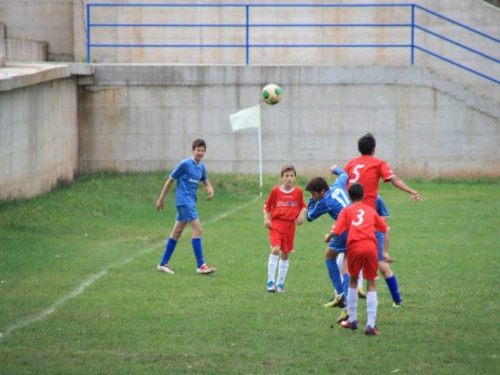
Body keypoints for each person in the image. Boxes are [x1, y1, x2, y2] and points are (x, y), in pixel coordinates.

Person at [325, 183, 391, 336]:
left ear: (349, 197)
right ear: (363, 196)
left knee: (353, 281)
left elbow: (336, 231)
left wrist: (327, 237)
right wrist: (385, 252)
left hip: (354, 247)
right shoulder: (370, 210)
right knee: (371, 283)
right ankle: (370, 325)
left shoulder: (346, 211)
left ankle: (352, 320)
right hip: (370, 246)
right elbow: (386, 229)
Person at [156, 139, 216, 275]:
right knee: (198, 229)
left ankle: (163, 263)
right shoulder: (185, 164)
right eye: (198, 150)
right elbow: (170, 179)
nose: (200, 152)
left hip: (190, 202)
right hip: (184, 202)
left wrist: (210, 188)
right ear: (192, 150)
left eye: (202, 150)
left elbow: (205, 180)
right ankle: (201, 265)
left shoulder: (200, 167)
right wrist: (161, 198)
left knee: (177, 232)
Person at [305, 167, 352, 310]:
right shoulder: (337, 185)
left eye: (314, 194)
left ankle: (340, 294)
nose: (313, 196)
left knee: (329, 257)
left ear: (322, 192)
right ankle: (346, 298)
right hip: (357, 226)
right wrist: (335, 169)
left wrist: (311, 202)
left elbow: (309, 217)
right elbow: (345, 174)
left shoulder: (325, 201)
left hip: (344, 229)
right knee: (346, 261)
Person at [342, 133, 422, 209]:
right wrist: (411, 191)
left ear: (359, 149)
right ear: (373, 150)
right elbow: (394, 180)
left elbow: (341, 180)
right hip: (367, 207)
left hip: (348, 206)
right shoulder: (378, 164)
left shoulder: (351, 163)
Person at [264, 165, 306, 293]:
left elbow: (303, 206)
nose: (289, 178)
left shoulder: (298, 192)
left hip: (290, 226)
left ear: (295, 178)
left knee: (286, 253)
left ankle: (280, 283)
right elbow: (267, 206)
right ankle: (270, 281)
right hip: (276, 224)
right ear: (282, 178)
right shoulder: (276, 191)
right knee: (276, 249)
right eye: (286, 176)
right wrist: (266, 218)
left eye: (291, 176)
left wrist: (301, 215)